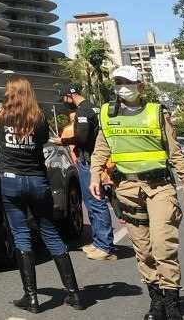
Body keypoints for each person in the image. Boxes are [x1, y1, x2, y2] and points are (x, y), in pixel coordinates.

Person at [90, 65, 184, 320]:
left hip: (159, 188)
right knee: (144, 250)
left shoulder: (156, 113)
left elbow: (175, 153)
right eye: (118, 82)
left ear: (141, 86)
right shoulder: (107, 114)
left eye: (128, 82)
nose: (122, 87)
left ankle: (173, 307)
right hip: (127, 189)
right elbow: (101, 149)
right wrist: (95, 174)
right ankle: (156, 303)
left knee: (162, 246)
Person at [0, 76, 85, 313]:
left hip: (11, 181)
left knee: (21, 236)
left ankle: (32, 298)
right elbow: (43, 141)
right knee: (51, 234)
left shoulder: (0, 116)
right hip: (37, 180)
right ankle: (74, 294)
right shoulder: (40, 118)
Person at [61, 84, 116, 261]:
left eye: (63, 98)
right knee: (93, 201)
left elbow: (82, 138)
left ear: (70, 95)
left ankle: (104, 246)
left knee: (95, 201)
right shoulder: (96, 108)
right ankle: (99, 241)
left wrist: (63, 141)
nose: (63, 102)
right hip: (96, 159)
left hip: (90, 159)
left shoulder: (83, 111)